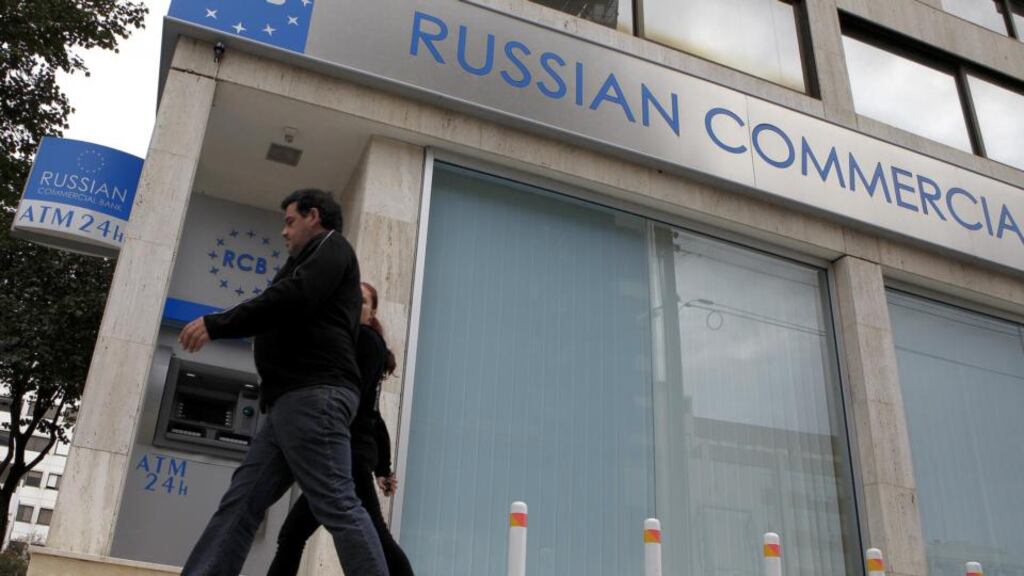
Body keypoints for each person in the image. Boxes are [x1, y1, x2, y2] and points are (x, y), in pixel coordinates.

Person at [177, 189, 389, 576]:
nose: (283, 232)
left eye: (290, 221)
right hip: (287, 404)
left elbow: (290, 298)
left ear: (314, 216)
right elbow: (276, 300)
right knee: (240, 504)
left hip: (314, 396)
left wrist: (216, 324)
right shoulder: (302, 261)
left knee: (338, 503)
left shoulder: (333, 247)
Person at [267, 282, 415, 576]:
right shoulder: (358, 342)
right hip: (346, 455)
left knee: (373, 534)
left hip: (347, 455)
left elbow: (357, 406)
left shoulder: (365, 341)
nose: (354, 304)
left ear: (372, 312)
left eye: (363, 301)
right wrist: (383, 469)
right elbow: (375, 415)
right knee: (293, 534)